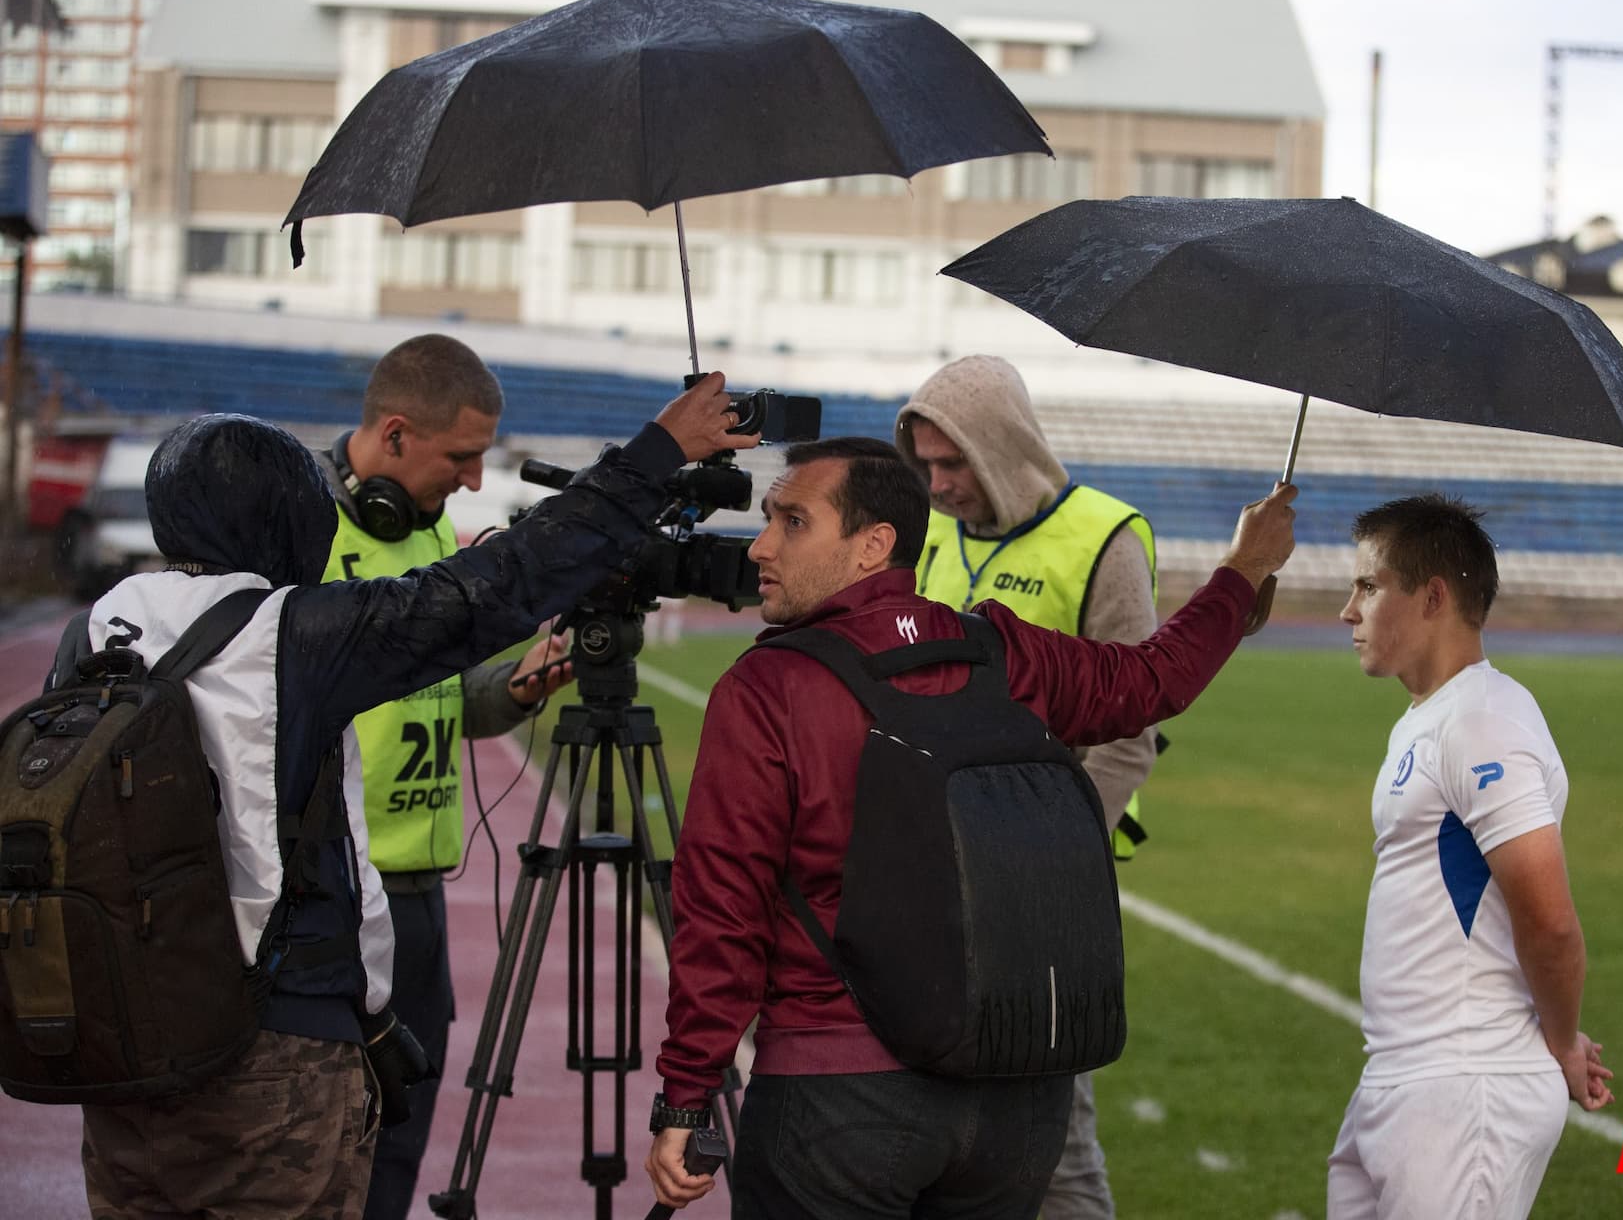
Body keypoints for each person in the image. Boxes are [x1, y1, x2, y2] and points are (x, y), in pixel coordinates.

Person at [69, 376, 753, 1220]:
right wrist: (657, 453)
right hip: (268, 1042)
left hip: (127, 1036)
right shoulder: (292, 634)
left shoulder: (98, 627)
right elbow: (495, 588)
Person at [643, 436, 1299, 1218]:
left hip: (837, 1094)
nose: (760, 546)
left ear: (872, 546)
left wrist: (687, 1097)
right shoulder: (1001, 650)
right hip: (1014, 1103)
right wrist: (1245, 569)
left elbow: (723, 908)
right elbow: (1157, 679)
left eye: (791, 521)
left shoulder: (769, 686)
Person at [319, 333, 575, 1220]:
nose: (473, 481)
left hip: (421, 893)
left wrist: (508, 689)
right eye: (460, 457)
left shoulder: (428, 529)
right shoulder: (305, 533)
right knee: (318, 1140)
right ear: (394, 436)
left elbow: (441, 700)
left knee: (400, 1138)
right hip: (333, 896)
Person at [894, 353, 1153, 1218]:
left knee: (1055, 1141)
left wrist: (1059, 863)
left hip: (1042, 890)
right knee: (916, 1123)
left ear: (1002, 447)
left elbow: (1129, 732)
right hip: (924, 874)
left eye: (952, 462)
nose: (935, 485)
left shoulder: (1106, 538)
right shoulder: (919, 530)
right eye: (924, 465)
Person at [1326, 494, 1614, 1220]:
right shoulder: (1430, 719)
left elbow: (1550, 922)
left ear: (1431, 598)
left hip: (1464, 1088)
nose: (1347, 610)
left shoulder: (1483, 722)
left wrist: (1559, 1044)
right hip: (1405, 1078)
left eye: (1367, 585)